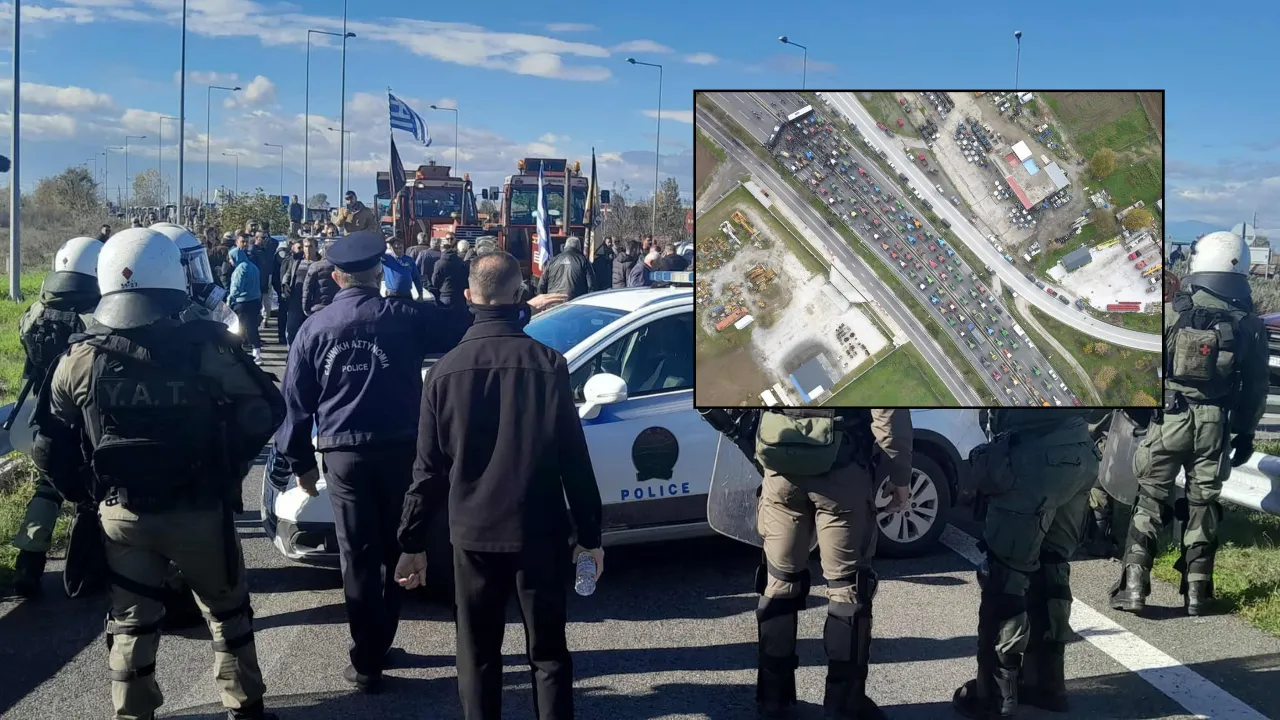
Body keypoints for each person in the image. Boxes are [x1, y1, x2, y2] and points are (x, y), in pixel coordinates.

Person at [29, 227, 285, 720]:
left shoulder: (80, 358)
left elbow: (47, 441)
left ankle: (132, 713)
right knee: (227, 612)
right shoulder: (206, 347)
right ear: (175, 276)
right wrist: (229, 463)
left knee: (130, 622)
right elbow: (266, 409)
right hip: (199, 511)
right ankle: (245, 708)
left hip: (120, 513)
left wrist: (84, 492)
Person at [395, 250, 603, 720]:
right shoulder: (548, 365)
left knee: (477, 653)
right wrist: (590, 535)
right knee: (548, 653)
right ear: (520, 295)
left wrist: (411, 539)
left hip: (472, 532)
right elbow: (574, 458)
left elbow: (427, 470)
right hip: (540, 528)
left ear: (469, 297)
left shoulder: (444, 372)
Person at [274, 230, 469, 693]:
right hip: (402, 451)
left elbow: (295, 403)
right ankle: (378, 641)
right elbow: (457, 326)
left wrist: (299, 461)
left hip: (344, 458)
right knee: (396, 545)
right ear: (378, 272)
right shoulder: (402, 316)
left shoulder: (314, 328)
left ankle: (369, 656)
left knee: (359, 556)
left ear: (338, 277)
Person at [1111, 230, 1269, 617]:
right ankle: (1198, 593)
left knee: (1149, 499)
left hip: (1169, 418)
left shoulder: (1171, 313)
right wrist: (1246, 433)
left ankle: (1134, 586)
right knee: (1203, 506)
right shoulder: (1249, 324)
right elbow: (1255, 388)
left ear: (1198, 263)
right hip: (1215, 423)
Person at [953, 409, 1099, 718]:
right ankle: (1047, 683)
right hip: (1080, 449)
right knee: (1053, 565)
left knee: (1005, 575)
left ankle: (994, 695)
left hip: (1033, 455)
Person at [10, 236, 102, 597]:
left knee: (46, 488)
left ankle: (28, 565)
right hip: (82, 414)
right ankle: (93, 568)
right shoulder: (93, 316)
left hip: (43, 415)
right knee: (94, 491)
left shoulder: (33, 312)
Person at [228, 246, 263, 363]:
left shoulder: (239, 269)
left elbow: (236, 289)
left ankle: (239, 353)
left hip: (241, 303)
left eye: (231, 258)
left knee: (239, 329)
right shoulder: (253, 267)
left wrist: (230, 300)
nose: (230, 261)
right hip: (255, 301)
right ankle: (257, 354)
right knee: (253, 328)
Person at [283, 237, 318, 346]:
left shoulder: (320, 263)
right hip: (295, 301)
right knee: (291, 331)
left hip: (312, 303)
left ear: (316, 248)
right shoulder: (296, 261)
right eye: (305, 246)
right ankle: (291, 356)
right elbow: (287, 275)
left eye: (310, 246)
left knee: (310, 333)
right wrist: (285, 285)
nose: (307, 249)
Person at [537, 235, 596, 300]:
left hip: (552, 304)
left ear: (565, 246)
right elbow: (592, 286)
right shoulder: (583, 261)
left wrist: (543, 304)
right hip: (573, 304)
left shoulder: (552, 261)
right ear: (578, 247)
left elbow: (541, 285)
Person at [382, 235, 423, 299]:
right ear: (391, 248)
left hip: (407, 294)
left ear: (403, 247)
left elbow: (416, 278)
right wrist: (386, 242)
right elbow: (377, 251)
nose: (398, 250)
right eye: (396, 248)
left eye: (400, 248)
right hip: (392, 294)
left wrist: (420, 294)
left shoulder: (409, 260)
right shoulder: (386, 259)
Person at [302, 248, 340, 317]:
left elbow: (307, 289)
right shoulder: (340, 266)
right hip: (336, 307)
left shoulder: (315, 266)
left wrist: (306, 308)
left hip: (318, 307)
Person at [432, 239, 470, 308]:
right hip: (459, 296)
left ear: (441, 249)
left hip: (445, 295)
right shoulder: (461, 261)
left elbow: (435, 282)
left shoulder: (439, 263)